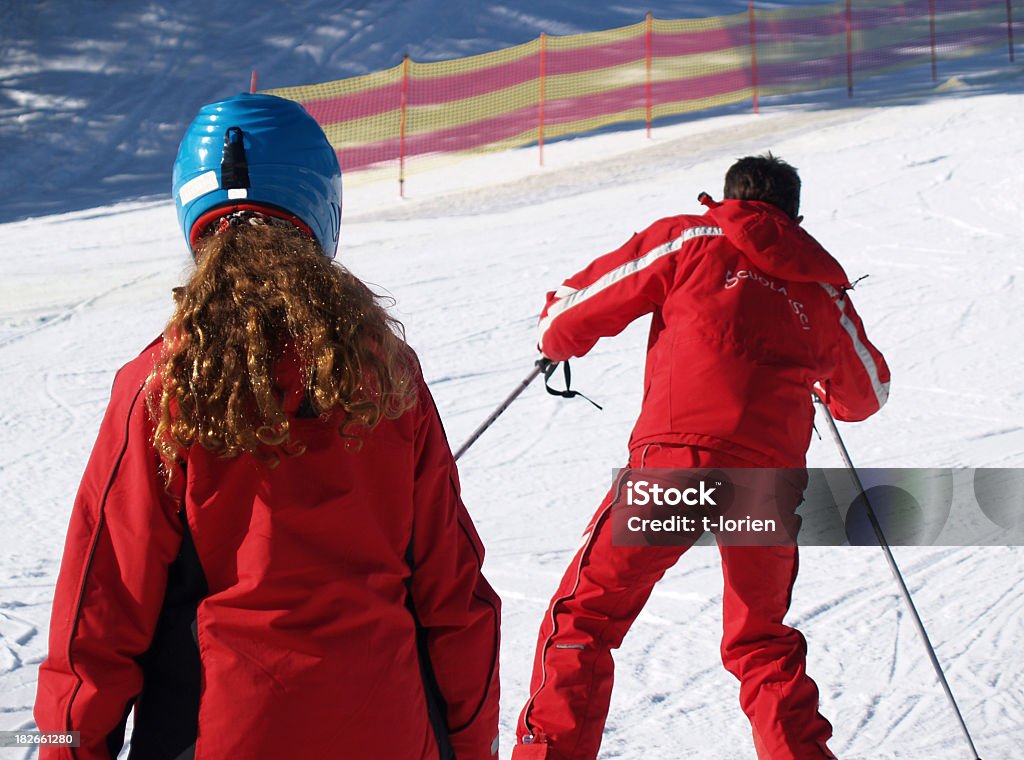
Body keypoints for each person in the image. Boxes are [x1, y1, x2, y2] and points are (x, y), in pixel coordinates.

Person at [34, 93, 500, 760]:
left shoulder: (161, 385)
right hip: (387, 730)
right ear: (320, 206)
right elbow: (457, 598)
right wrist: (472, 746)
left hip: (220, 734)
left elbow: (96, 616)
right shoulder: (389, 377)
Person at [512, 154, 890, 760]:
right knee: (761, 643)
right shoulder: (818, 286)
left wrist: (555, 340)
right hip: (765, 485)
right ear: (796, 216)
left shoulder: (691, 236)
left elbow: (569, 315)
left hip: (678, 463)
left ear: (724, 198)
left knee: (585, 620)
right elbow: (867, 392)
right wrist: (821, 379)